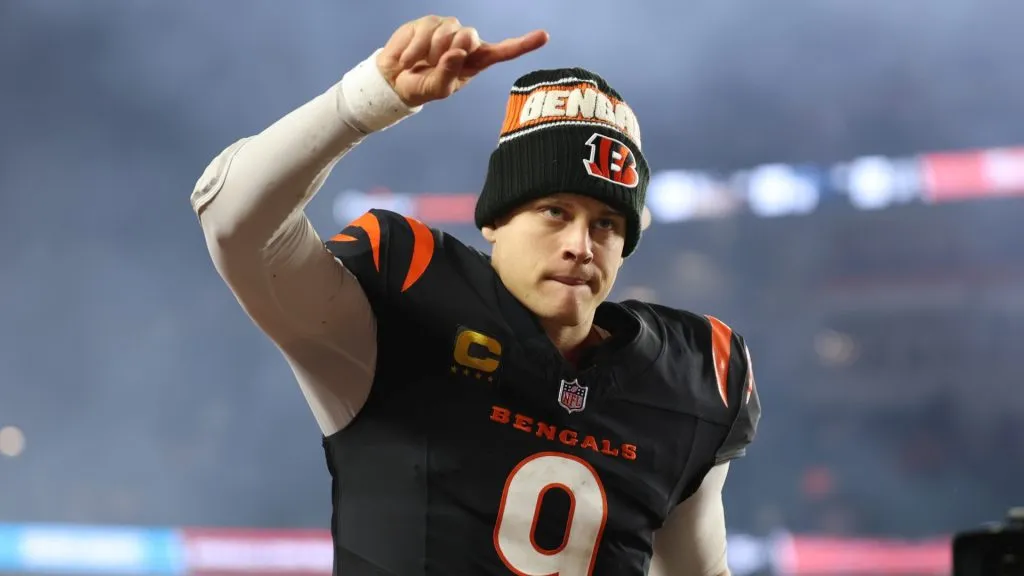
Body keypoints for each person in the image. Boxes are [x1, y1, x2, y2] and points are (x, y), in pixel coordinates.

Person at [191, 14, 760, 576]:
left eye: (607, 223)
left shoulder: (696, 379)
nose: (580, 245)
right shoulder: (404, 299)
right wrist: (364, 99)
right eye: (554, 211)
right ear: (494, 220)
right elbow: (231, 217)